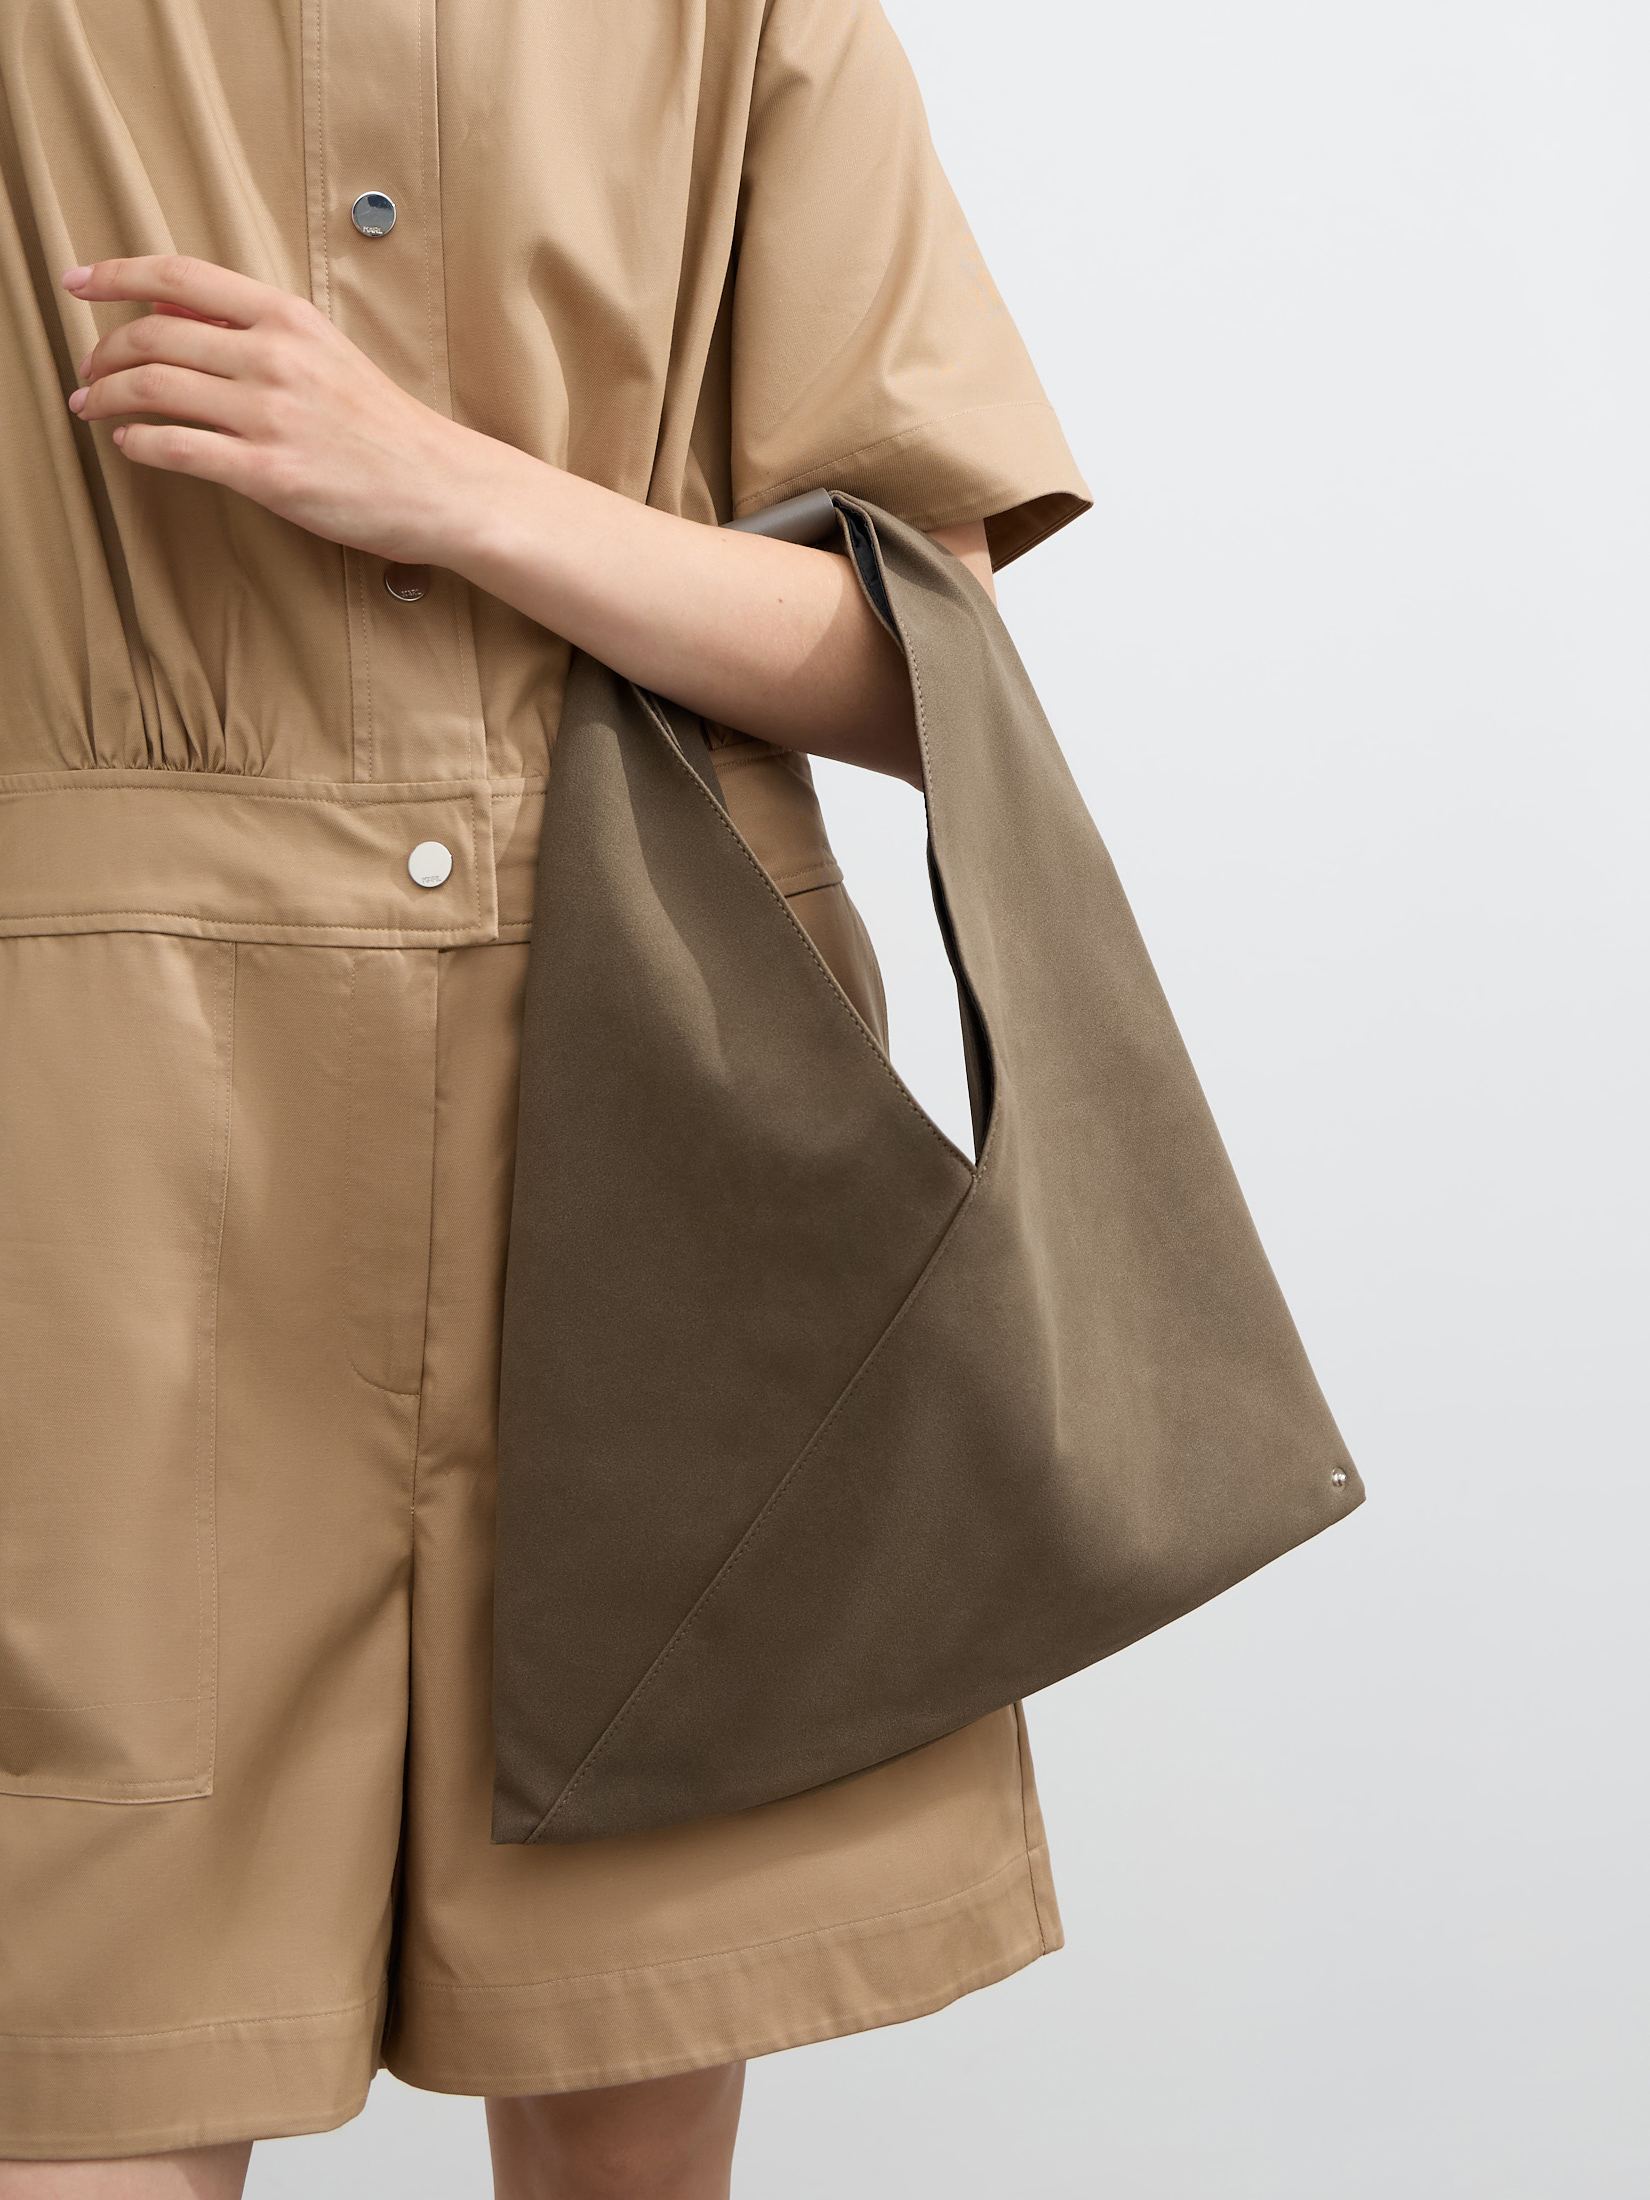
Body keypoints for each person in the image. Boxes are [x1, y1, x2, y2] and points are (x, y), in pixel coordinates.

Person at [0, 1, 1089, 2191]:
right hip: (99, 1141)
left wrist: (440, 483)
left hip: (652, 1075)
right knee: (85, 2073)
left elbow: (929, 662)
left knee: (634, 2081)